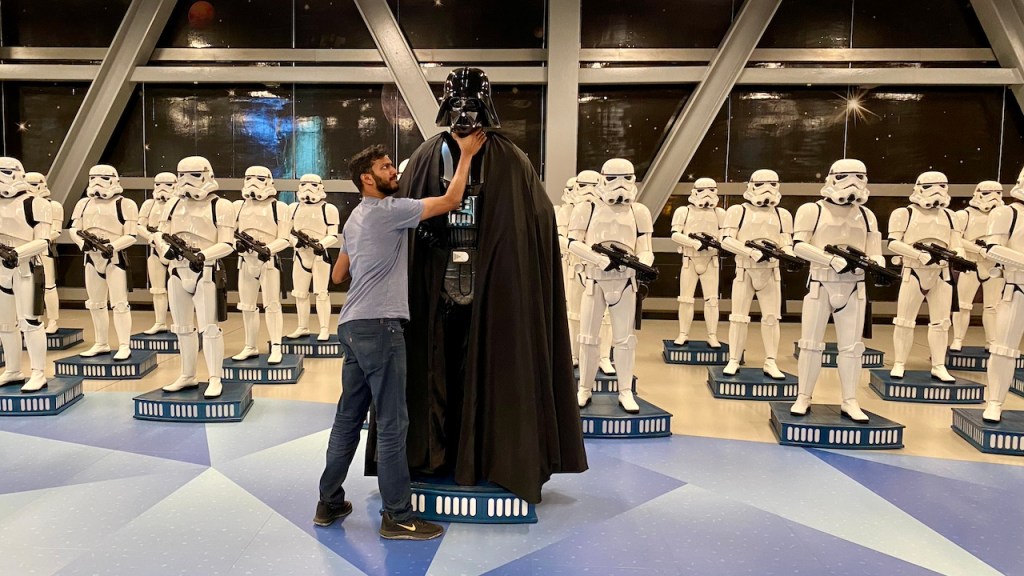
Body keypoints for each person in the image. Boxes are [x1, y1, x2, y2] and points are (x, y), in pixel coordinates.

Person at [315, 135, 485, 540]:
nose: (394, 172)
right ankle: (397, 516)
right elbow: (451, 200)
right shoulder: (390, 211)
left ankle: (329, 502)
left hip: (351, 326)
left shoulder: (354, 219)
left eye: (393, 165)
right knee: (392, 424)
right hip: (380, 326)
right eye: (386, 167)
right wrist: (466, 155)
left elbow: (338, 275)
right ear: (366, 178)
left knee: (347, 419)